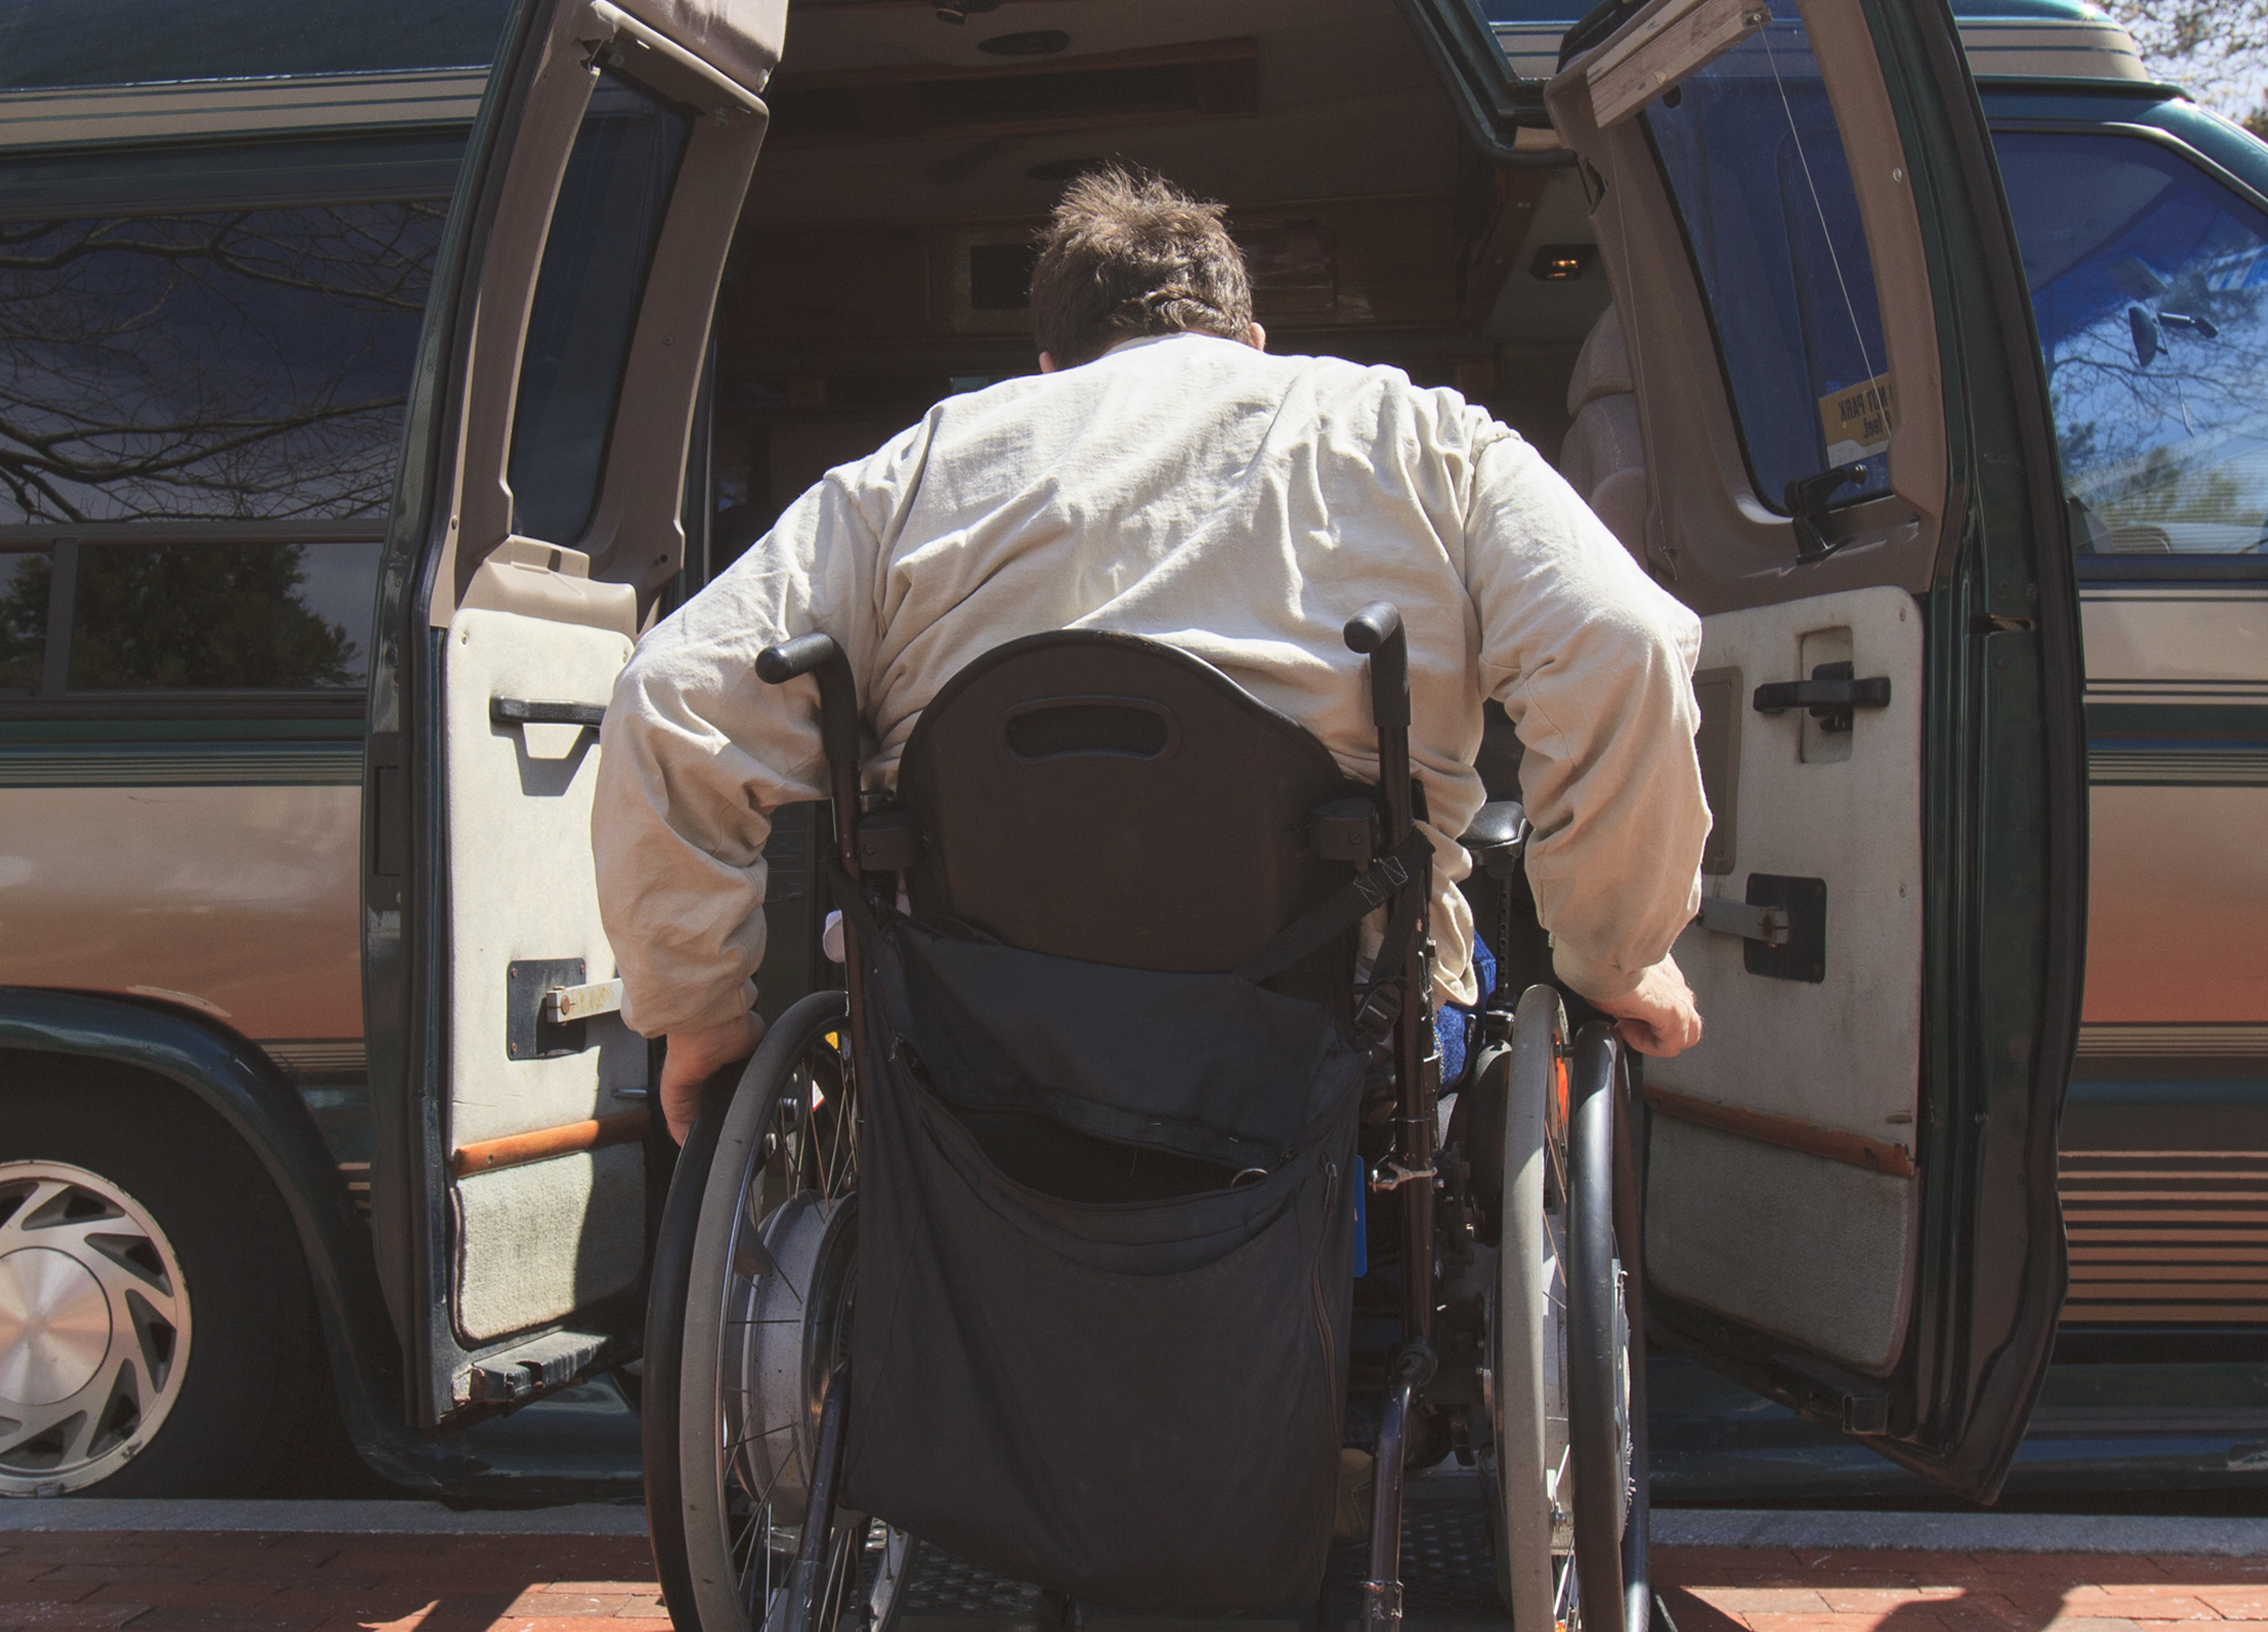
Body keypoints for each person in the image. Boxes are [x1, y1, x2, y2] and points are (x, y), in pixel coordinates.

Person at [597, 163, 1710, 1142]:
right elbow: (1622, 643)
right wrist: (1611, 954)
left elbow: (670, 697)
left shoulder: (916, 473)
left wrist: (700, 1019)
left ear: (1049, 364)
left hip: (976, 1053)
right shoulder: (1424, 436)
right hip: (1346, 1044)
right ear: (1252, 342)